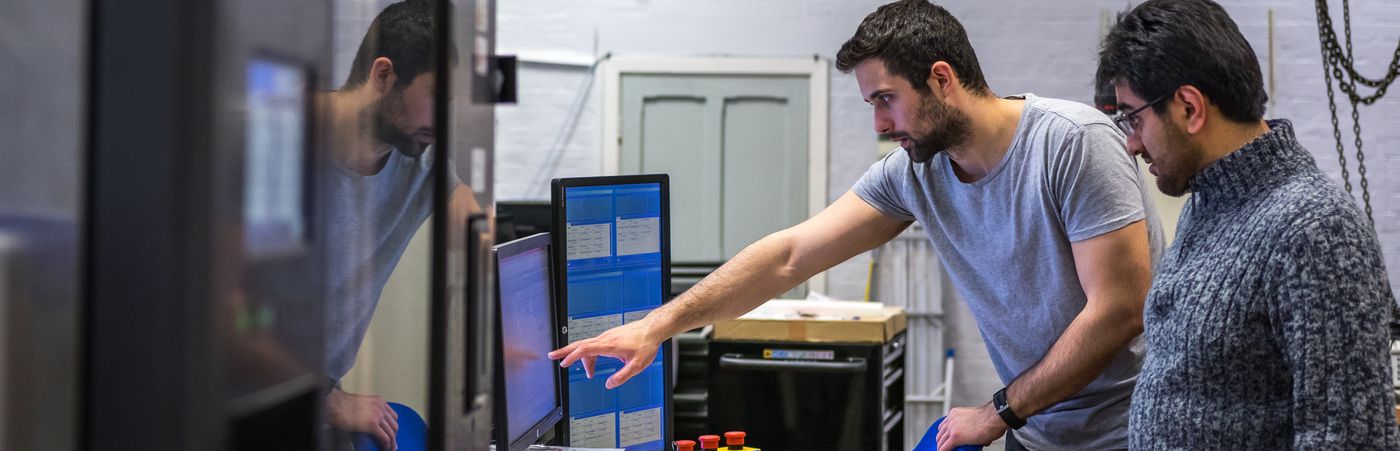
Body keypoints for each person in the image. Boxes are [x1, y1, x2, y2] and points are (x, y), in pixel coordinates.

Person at [550, 1, 1164, 449]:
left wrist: (997, 411)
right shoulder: (915, 172)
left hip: (1128, 435)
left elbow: (1117, 310)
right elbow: (791, 255)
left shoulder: (1073, 144)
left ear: (942, 79)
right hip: (1036, 436)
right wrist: (659, 326)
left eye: (885, 99)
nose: (879, 125)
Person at [1096, 0, 1399, 448]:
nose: (1132, 144)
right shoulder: (1208, 204)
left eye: (1134, 119)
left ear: (1189, 108)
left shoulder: (1314, 229)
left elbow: (1347, 438)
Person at [319, 0, 478, 448]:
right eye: (435, 99)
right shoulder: (284, 138)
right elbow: (218, 313)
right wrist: (327, 400)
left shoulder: (420, 162)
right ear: (383, 75)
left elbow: (479, 238)